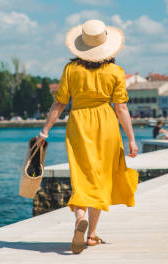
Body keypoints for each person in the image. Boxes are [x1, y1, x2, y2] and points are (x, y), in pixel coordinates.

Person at [36, 19, 139, 254]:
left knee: (82, 174)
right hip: (107, 125)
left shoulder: (71, 70)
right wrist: (131, 139)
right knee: (100, 178)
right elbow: (121, 108)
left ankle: (78, 218)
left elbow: (59, 102)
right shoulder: (115, 72)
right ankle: (91, 234)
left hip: (79, 123)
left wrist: (45, 130)